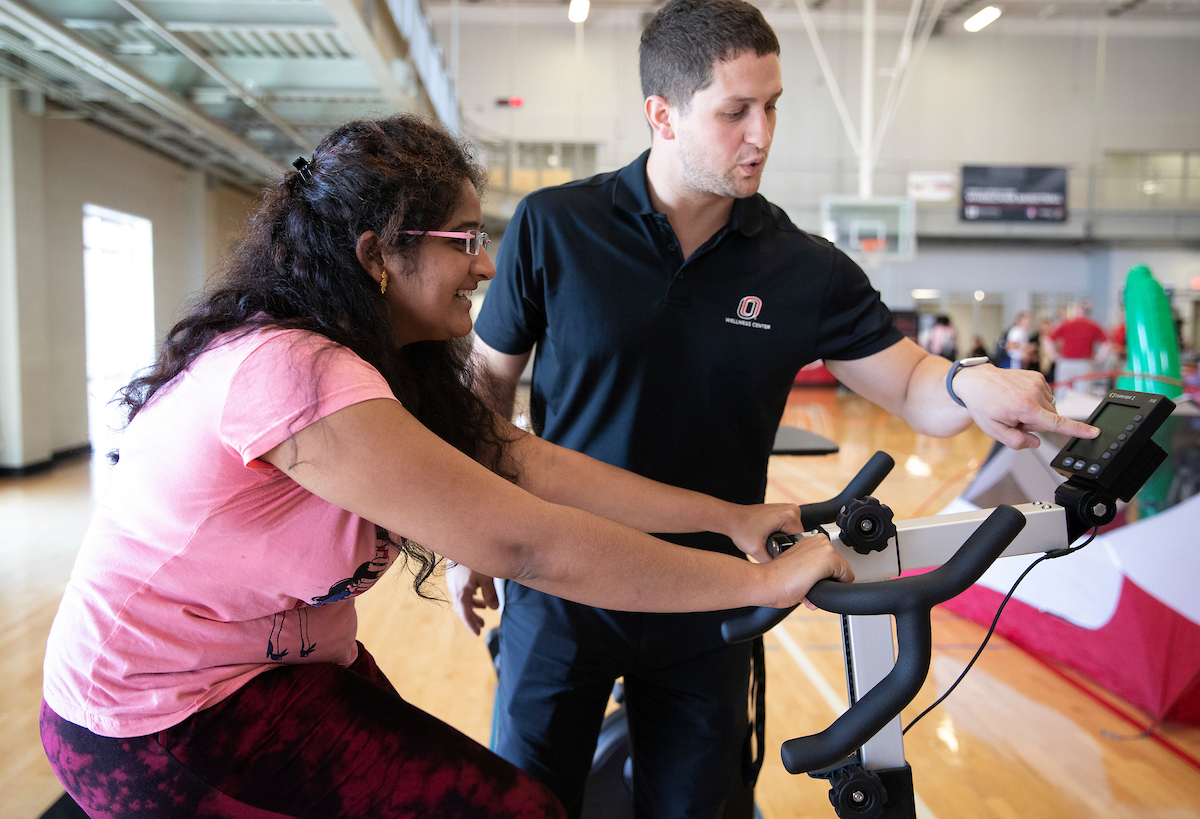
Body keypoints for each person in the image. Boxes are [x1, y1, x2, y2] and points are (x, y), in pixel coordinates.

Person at [39, 115, 857, 819]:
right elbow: (528, 547)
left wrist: (731, 518)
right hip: (152, 716)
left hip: (270, 667)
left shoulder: (387, 362)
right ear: (377, 256)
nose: (488, 265)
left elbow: (532, 464)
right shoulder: (292, 374)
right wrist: (754, 584)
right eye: (464, 241)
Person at [448, 2, 1099, 816]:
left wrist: (972, 380)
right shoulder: (558, 226)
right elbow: (485, 388)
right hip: (563, 588)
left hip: (713, 593)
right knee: (524, 804)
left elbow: (911, 386)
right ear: (662, 114)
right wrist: (470, 533)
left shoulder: (803, 267)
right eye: (735, 112)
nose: (763, 133)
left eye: (774, 105)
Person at [1049, 300, 1109, 398]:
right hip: (1083, 363)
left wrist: (1053, 356)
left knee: (1062, 392)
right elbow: (1106, 343)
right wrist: (1098, 359)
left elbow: (1049, 338)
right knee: (1084, 393)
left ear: (1077, 310)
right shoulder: (1093, 325)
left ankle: (1060, 412)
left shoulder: (1067, 323)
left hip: (1069, 362)